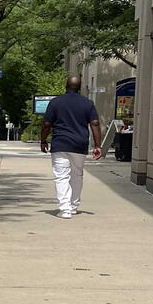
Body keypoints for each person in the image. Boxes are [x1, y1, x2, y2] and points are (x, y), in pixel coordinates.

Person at [40, 76, 102, 218]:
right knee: (77, 175)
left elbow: (46, 124)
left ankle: (65, 209)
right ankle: (73, 206)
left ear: (65, 86)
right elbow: (95, 123)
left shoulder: (55, 103)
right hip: (79, 145)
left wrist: (43, 140)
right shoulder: (88, 103)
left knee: (61, 177)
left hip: (60, 144)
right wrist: (98, 145)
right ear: (80, 87)